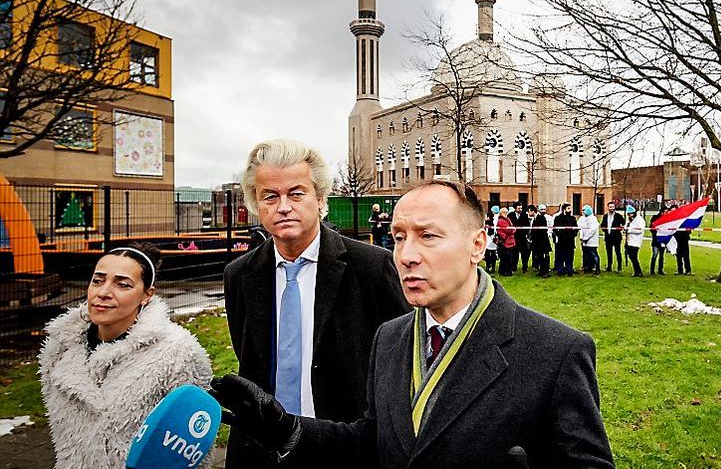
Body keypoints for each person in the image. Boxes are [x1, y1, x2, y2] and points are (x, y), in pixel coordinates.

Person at [211, 181, 615, 468]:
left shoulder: (556, 351)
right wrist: (287, 430)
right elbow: (372, 440)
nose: (405, 255)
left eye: (428, 236)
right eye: (399, 236)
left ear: (478, 244)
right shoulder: (390, 336)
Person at [223, 139, 409, 469]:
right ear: (257, 205)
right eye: (270, 196)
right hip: (263, 452)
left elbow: (401, 364)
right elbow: (248, 354)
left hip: (345, 448)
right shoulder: (240, 275)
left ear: (320, 198)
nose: (283, 206)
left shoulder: (372, 268)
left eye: (296, 193)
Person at [39, 243, 212, 469]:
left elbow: (192, 450)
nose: (103, 292)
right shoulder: (61, 346)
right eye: (98, 280)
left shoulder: (177, 353)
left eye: (123, 284)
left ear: (147, 295)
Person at [553, 203, 579, 276]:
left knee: (570, 257)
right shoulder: (558, 218)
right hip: (561, 241)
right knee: (560, 256)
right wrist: (561, 235)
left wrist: (573, 234)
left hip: (570, 241)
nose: (570, 210)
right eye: (568, 208)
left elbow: (576, 228)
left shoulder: (572, 218)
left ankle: (569, 270)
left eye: (570, 208)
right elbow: (555, 229)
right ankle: (560, 270)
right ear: (564, 209)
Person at [601, 202, 625, 272]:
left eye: (613, 207)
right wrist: (605, 231)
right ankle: (609, 267)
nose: (612, 208)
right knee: (609, 253)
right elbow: (602, 225)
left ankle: (619, 267)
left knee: (618, 252)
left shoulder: (618, 216)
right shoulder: (605, 216)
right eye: (610, 207)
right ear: (608, 207)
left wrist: (620, 229)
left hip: (617, 237)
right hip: (608, 238)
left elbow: (623, 224)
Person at [577, 205, 601, 274]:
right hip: (584, 240)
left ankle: (597, 268)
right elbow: (580, 227)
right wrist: (582, 238)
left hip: (592, 240)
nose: (583, 212)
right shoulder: (582, 218)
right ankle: (587, 268)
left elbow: (592, 230)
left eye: (584, 210)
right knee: (586, 254)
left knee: (593, 254)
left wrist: (586, 238)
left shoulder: (593, 219)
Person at [531, 204, 552, 278]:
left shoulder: (541, 218)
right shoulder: (535, 218)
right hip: (537, 242)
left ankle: (546, 271)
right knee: (540, 257)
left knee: (544, 257)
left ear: (533, 211)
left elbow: (543, 230)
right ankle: (541, 271)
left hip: (542, 242)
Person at [648, 205, 670, 275]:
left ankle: (660, 270)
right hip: (656, 240)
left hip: (663, 240)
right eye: (665, 212)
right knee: (655, 254)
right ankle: (652, 270)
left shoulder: (667, 219)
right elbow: (651, 228)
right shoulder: (655, 218)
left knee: (661, 255)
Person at [510, 202, 531, 273]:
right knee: (514, 253)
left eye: (521, 208)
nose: (520, 209)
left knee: (524, 253)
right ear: (515, 208)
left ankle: (525, 267)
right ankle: (513, 267)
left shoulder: (524, 215)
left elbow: (527, 225)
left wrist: (525, 233)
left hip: (522, 237)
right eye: (519, 208)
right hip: (514, 237)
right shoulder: (511, 215)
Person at [625, 205, 645, 277]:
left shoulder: (640, 219)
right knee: (631, 257)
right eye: (629, 214)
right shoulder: (629, 219)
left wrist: (629, 230)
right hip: (629, 241)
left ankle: (638, 271)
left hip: (636, 241)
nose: (630, 215)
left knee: (634, 257)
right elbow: (626, 226)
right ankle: (636, 271)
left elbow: (640, 230)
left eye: (631, 213)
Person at [496, 207, 517, 276]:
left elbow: (511, 228)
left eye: (506, 212)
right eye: (504, 212)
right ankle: (505, 271)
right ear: (501, 213)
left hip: (509, 241)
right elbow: (509, 230)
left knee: (508, 257)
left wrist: (512, 229)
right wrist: (513, 230)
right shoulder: (501, 221)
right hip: (505, 241)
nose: (506, 214)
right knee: (505, 258)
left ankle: (507, 271)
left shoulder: (507, 219)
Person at [484, 205, 499, 273]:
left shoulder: (489, 222)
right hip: (492, 239)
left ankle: (489, 266)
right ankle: (492, 267)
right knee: (492, 254)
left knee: (489, 254)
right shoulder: (496, 219)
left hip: (490, 239)